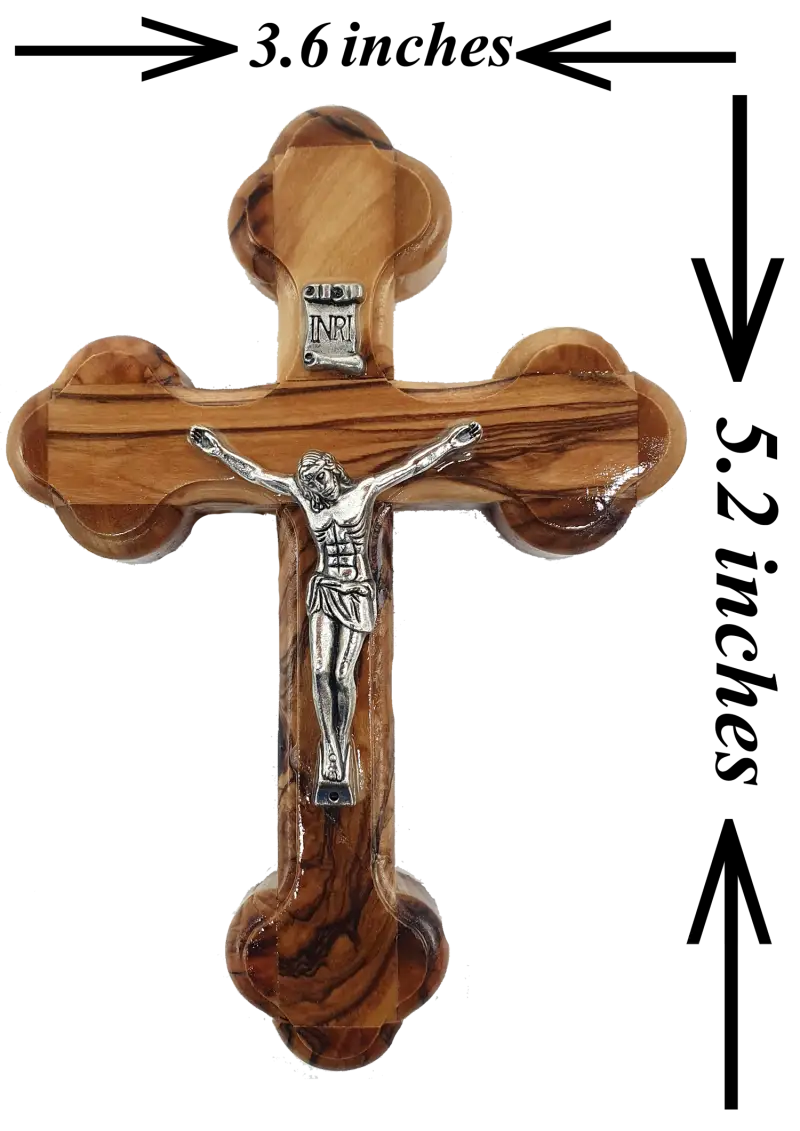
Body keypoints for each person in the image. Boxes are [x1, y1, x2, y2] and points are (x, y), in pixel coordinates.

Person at [188, 421, 482, 785]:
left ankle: (340, 744)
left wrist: (450, 445)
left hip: (356, 590)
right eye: (310, 483)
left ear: (333, 470)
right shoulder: (306, 497)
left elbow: (410, 466)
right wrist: (218, 451)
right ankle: (331, 748)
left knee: (342, 674)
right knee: (319, 672)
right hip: (325, 588)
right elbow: (257, 474)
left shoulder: (363, 492)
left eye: (320, 478)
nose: (317, 486)